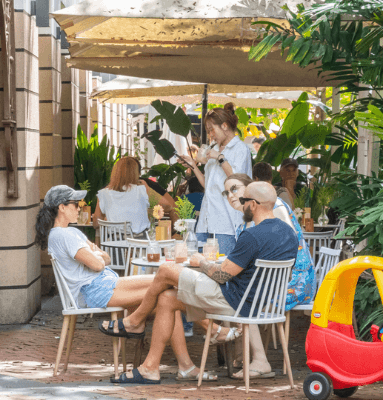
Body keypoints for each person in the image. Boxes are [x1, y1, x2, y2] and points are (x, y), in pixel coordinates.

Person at [98, 181, 298, 384]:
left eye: (245, 200)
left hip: (234, 301)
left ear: (253, 204)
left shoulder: (252, 235)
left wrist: (201, 262)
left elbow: (222, 276)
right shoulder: (289, 233)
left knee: (166, 270)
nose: (243, 204)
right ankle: (152, 368)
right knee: (167, 298)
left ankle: (133, 322)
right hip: (261, 303)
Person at [36, 185, 220, 382]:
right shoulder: (63, 235)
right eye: (75, 204)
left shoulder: (71, 232)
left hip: (105, 283)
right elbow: (98, 264)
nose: (80, 207)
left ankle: (182, 358)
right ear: (62, 207)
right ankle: (212, 331)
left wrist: (97, 256)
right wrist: (97, 256)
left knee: (168, 293)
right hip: (96, 290)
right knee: (167, 280)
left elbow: (105, 258)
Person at [224, 173, 315, 378]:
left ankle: (257, 359)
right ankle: (242, 355)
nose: (232, 196)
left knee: (242, 296)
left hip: (294, 279)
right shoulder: (247, 221)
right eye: (227, 192)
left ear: (252, 192)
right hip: (271, 278)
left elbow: (282, 247)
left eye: (236, 189)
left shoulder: (276, 208)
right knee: (240, 289)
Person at [180, 103, 252, 255]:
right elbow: (207, 185)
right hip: (205, 220)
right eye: (208, 130)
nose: (210, 134)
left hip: (226, 223)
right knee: (198, 263)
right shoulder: (214, 149)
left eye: (212, 129)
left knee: (222, 266)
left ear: (224, 126)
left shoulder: (240, 149)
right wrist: (193, 166)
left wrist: (220, 158)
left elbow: (236, 181)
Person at [93, 157, 150, 238]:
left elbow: (96, 224)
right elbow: (162, 205)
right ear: (136, 173)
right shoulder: (142, 189)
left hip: (114, 243)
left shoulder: (104, 193)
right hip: (139, 242)